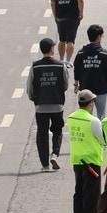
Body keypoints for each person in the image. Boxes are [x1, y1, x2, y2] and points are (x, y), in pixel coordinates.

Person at [67, 89, 105, 213]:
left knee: (79, 191)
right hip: (91, 160)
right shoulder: (93, 121)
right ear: (90, 104)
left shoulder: (71, 117)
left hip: (77, 159)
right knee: (92, 193)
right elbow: (102, 139)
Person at [28, 37, 68, 172]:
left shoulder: (35, 66)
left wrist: (34, 99)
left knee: (42, 134)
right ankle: (55, 154)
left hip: (41, 106)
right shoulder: (60, 65)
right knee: (57, 131)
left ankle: (44, 165)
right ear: (51, 49)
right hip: (57, 104)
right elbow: (65, 85)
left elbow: (30, 88)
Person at [73, 24, 107, 119]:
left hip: (86, 90)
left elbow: (77, 70)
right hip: (101, 89)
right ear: (99, 37)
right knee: (101, 115)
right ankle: (100, 133)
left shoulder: (81, 53)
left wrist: (76, 85)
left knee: (87, 117)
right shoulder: (104, 53)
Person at [52, 0, 84, 65]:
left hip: (60, 18)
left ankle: (61, 60)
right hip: (73, 18)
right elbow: (80, 0)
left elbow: (53, 3)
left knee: (62, 40)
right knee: (70, 40)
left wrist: (55, 16)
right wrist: (81, 13)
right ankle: (68, 60)